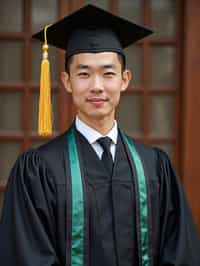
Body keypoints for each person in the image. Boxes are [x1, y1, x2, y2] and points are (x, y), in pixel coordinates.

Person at [0, 4, 199, 266]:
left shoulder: (155, 167)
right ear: (67, 81)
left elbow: (181, 252)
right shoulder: (37, 171)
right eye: (84, 74)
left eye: (108, 73)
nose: (97, 86)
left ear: (124, 80)